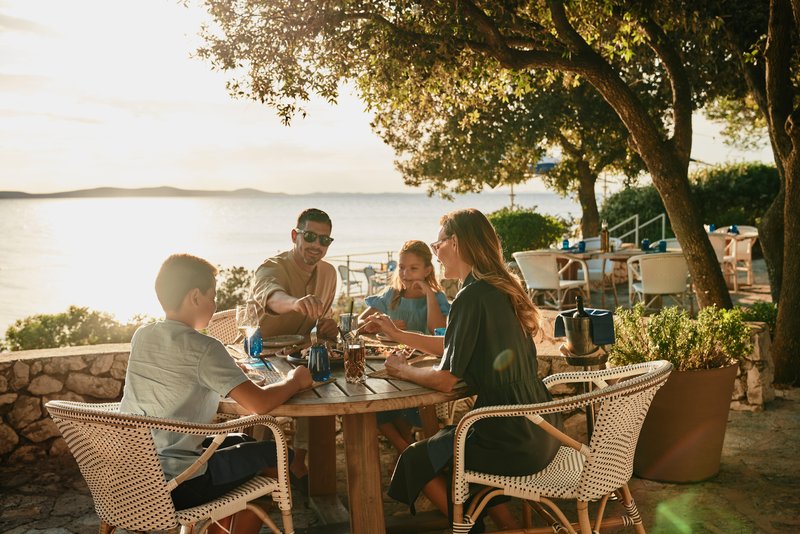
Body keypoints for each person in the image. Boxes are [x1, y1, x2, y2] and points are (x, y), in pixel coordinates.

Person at [367, 208, 563, 531]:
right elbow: (454, 345)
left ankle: (469, 527)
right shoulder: (500, 288)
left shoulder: (470, 297)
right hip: (542, 428)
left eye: (438, 244)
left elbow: (446, 381)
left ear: (455, 243)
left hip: (506, 434)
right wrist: (400, 335)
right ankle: (500, 525)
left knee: (418, 457)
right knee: (447, 445)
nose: (436, 252)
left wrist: (403, 371)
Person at [120, 253, 313, 534]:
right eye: (213, 296)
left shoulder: (143, 335)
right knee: (277, 454)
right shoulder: (206, 348)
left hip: (134, 473)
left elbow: (178, 375)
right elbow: (260, 404)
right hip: (178, 483)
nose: (215, 304)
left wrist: (226, 371)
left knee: (242, 440)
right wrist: (296, 380)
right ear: (195, 296)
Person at [249, 207, 338, 494]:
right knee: (268, 403)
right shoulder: (272, 267)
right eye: (310, 236)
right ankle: (258, 467)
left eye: (324, 240)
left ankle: (300, 464)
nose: (317, 245)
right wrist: (296, 302)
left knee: (321, 386)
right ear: (295, 235)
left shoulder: (328, 273)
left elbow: (319, 321)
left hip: (299, 355)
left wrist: (326, 327)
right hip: (261, 358)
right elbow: (272, 297)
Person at [357, 240, 451, 454]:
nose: (406, 273)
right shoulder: (392, 295)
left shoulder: (436, 297)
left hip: (420, 368)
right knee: (373, 407)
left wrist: (428, 293)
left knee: (398, 408)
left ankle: (406, 453)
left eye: (413, 268)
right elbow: (359, 324)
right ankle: (407, 451)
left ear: (428, 270)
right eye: (401, 267)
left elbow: (437, 328)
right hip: (388, 365)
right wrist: (378, 325)